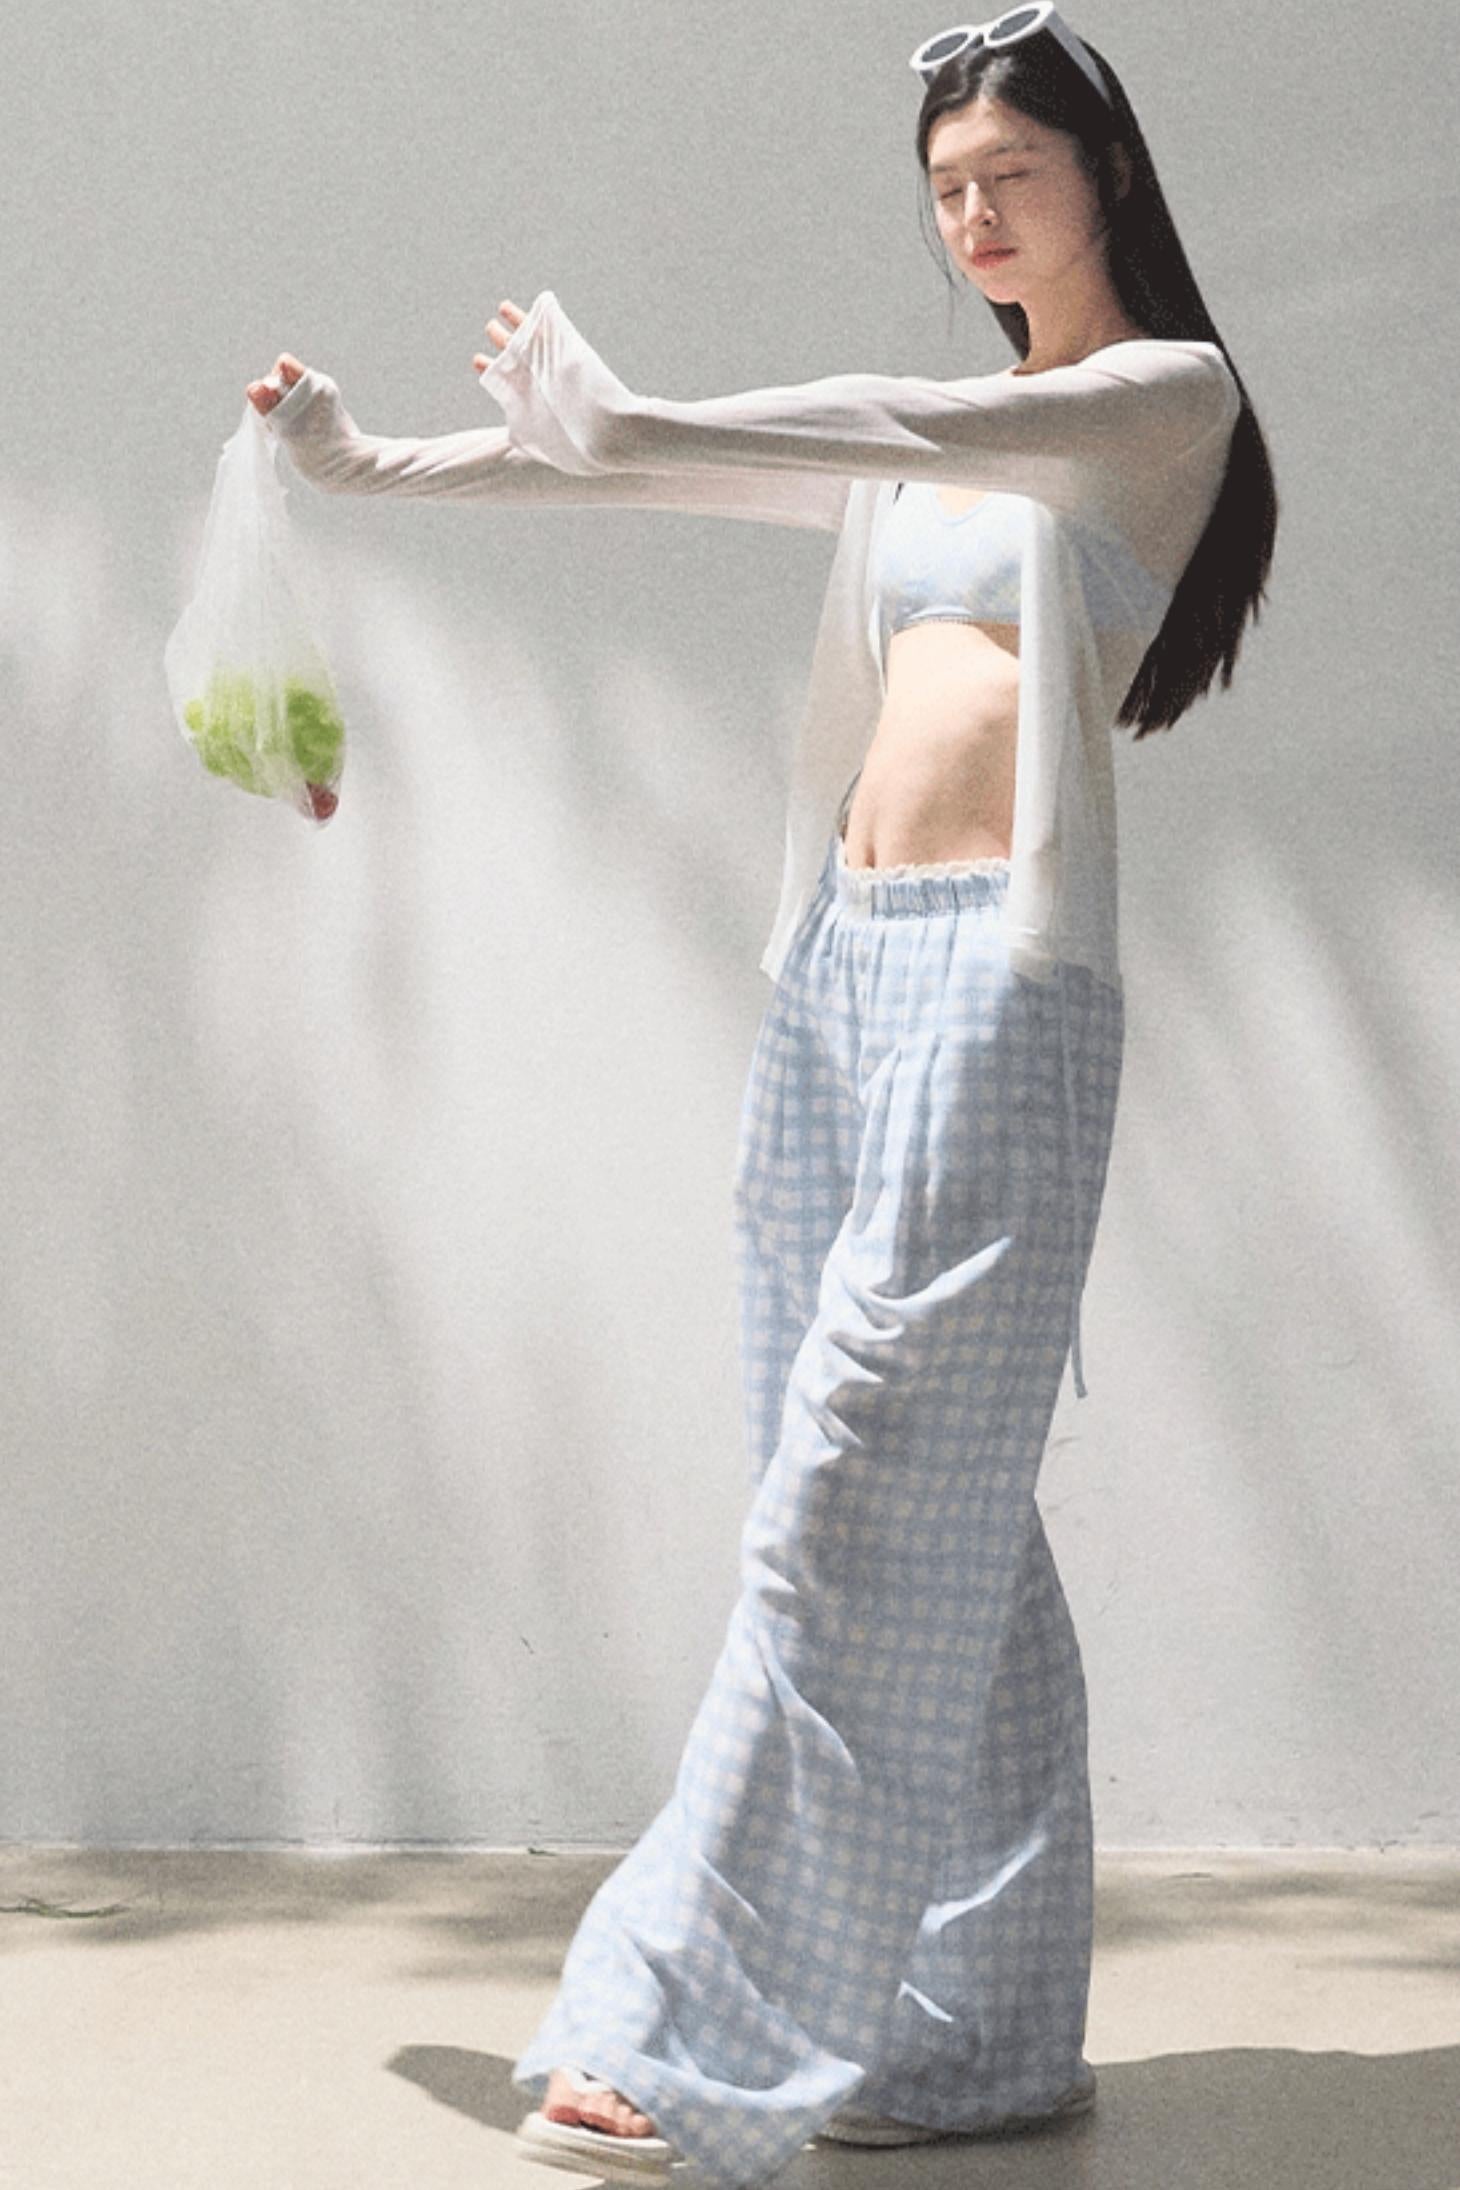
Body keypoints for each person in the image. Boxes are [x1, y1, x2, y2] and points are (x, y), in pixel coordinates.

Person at [248, 10, 1277, 2185]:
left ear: (1107, 176)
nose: (972, 214)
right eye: (944, 187)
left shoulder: (1158, 399)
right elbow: (642, 471)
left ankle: (687, 2028)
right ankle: (983, 2043)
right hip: (841, 974)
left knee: (849, 1501)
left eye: (1009, 173)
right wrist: (362, 467)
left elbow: (859, 413)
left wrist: (637, 402)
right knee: (953, 1527)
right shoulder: (946, 442)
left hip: (999, 987)